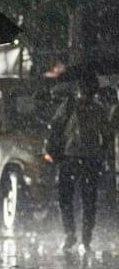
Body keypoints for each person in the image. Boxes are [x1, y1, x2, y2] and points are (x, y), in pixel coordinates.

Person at [45, 77, 114, 251]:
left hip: (72, 158)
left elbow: (55, 126)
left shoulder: (71, 106)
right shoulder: (96, 109)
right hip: (86, 159)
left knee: (69, 198)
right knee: (86, 200)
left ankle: (73, 235)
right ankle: (83, 238)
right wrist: (102, 155)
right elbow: (107, 136)